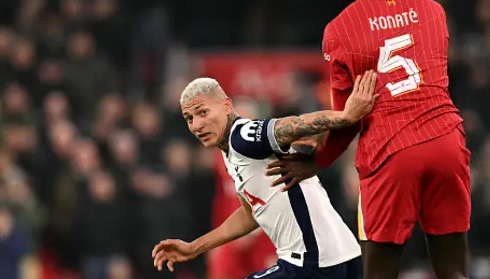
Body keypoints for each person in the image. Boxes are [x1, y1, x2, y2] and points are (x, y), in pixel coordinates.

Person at [265, 0, 471, 279]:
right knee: (454, 272)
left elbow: (348, 119)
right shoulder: (433, 11)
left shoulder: (340, 30)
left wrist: (317, 162)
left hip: (391, 151)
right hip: (447, 142)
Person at [152, 71, 379, 278]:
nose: (197, 125)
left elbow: (290, 125)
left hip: (311, 262)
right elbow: (250, 214)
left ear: (226, 106)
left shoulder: (242, 136)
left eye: (203, 112)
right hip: (343, 256)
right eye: (189, 118)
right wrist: (194, 248)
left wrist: (346, 116)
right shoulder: (231, 154)